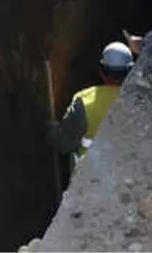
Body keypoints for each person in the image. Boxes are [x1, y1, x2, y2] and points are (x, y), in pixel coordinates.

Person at [47, 42, 136, 174]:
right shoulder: (138, 101)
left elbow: (64, 143)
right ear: (130, 71)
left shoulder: (84, 102)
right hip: (126, 178)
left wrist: (52, 130)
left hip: (89, 179)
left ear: (101, 71)